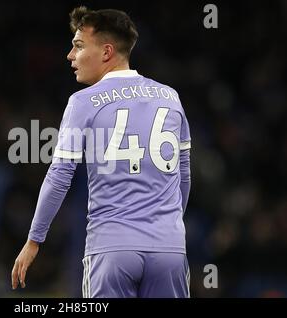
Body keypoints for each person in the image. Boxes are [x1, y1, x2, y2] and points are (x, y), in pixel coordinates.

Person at [11, 6, 191, 298]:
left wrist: (34, 240)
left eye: (79, 46)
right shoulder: (171, 97)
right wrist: (169, 229)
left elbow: (59, 176)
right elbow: (183, 175)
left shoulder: (83, 102)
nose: (70, 55)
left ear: (106, 52)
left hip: (112, 250)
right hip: (168, 250)